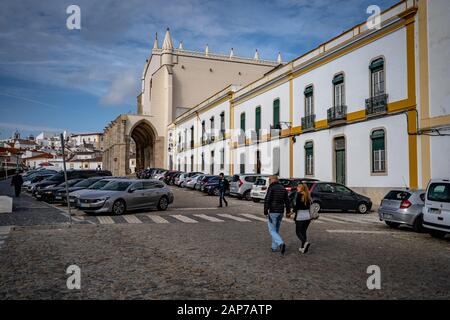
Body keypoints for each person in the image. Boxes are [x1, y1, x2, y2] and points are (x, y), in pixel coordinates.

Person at [264, 175, 290, 255]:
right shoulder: (283, 188)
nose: (268, 181)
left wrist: (265, 210)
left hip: (273, 211)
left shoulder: (271, 188)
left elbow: (267, 199)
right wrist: (288, 211)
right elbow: (287, 201)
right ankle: (274, 247)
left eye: (269, 180)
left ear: (273, 180)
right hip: (281, 211)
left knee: (272, 230)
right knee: (276, 230)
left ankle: (281, 243)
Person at [293, 183, 313, 254]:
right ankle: (302, 248)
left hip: (300, 216)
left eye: (298, 187)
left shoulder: (299, 195)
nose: (297, 188)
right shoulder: (308, 195)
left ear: (302, 188)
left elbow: (297, 206)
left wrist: (292, 212)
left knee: (298, 232)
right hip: (307, 217)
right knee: (303, 232)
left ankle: (305, 242)